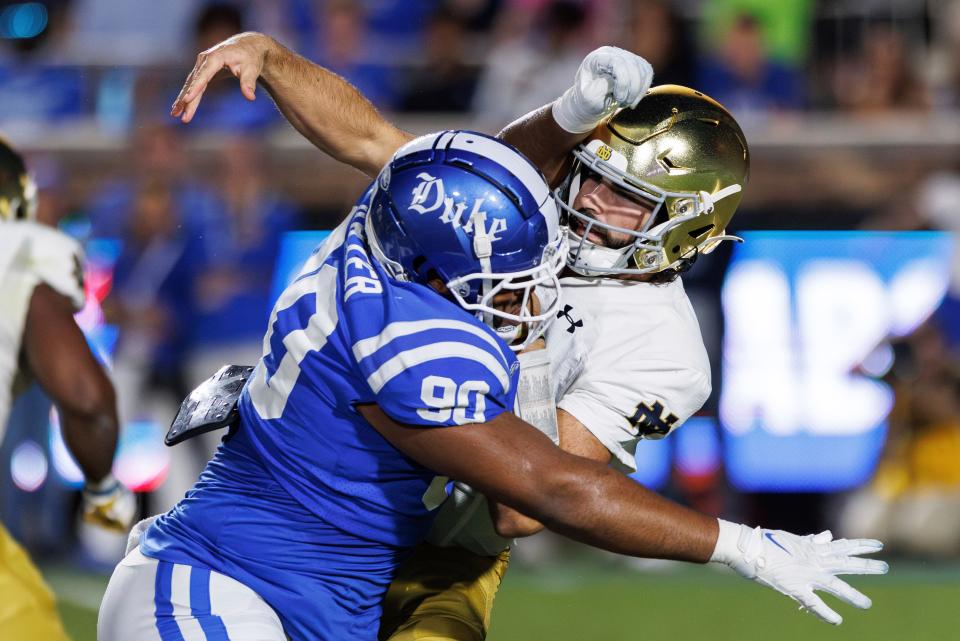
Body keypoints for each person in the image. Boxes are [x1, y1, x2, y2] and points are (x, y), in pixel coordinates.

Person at [159, 35, 887, 638]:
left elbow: (525, 502)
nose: (590, 199)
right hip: (323, 488)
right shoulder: (531, 204)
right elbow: (396, 149)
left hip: (440, 540)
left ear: (689, 225)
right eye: (591, 173)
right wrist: (568, 116)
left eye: (627, 198)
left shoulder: (663, 350)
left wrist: (531, 351)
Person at [0, 138, 136, 640]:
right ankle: (27, 534)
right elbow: (86, 399)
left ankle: (41, 534)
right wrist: (102, 487)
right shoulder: (30, 250)